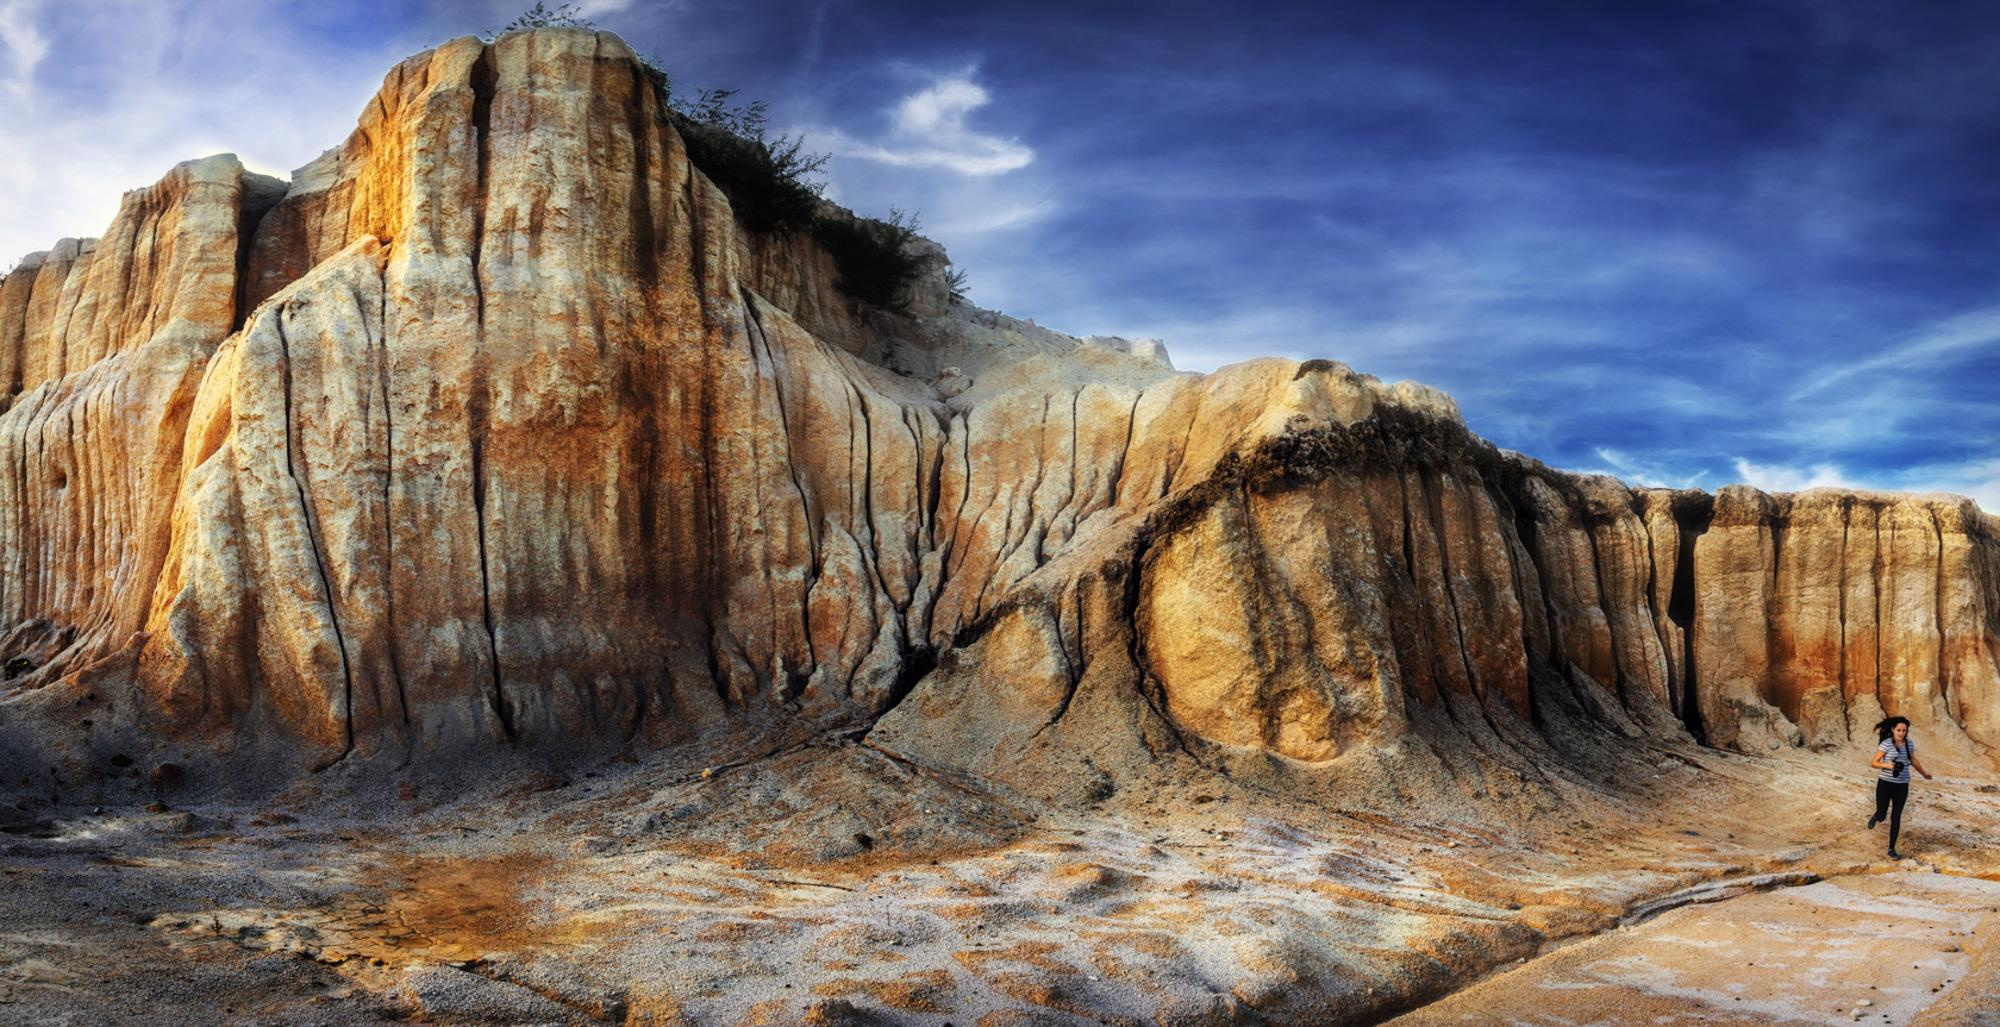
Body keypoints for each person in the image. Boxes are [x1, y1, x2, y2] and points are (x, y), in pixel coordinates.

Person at [1867, 715, 1932, 860]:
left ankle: (1891, 848)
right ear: (1893, 730)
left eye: (1904, 730)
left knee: (1896, 817)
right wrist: (1887, 765)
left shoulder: (1909, 744)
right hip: (1885, 783)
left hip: (1902, 786)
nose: (1901, 733)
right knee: (1882, 815)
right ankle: (1877, 815)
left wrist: (1924, 774)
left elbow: (1914, 761)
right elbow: (1873, 762)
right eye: (1899, 730)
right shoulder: (1886, 744)